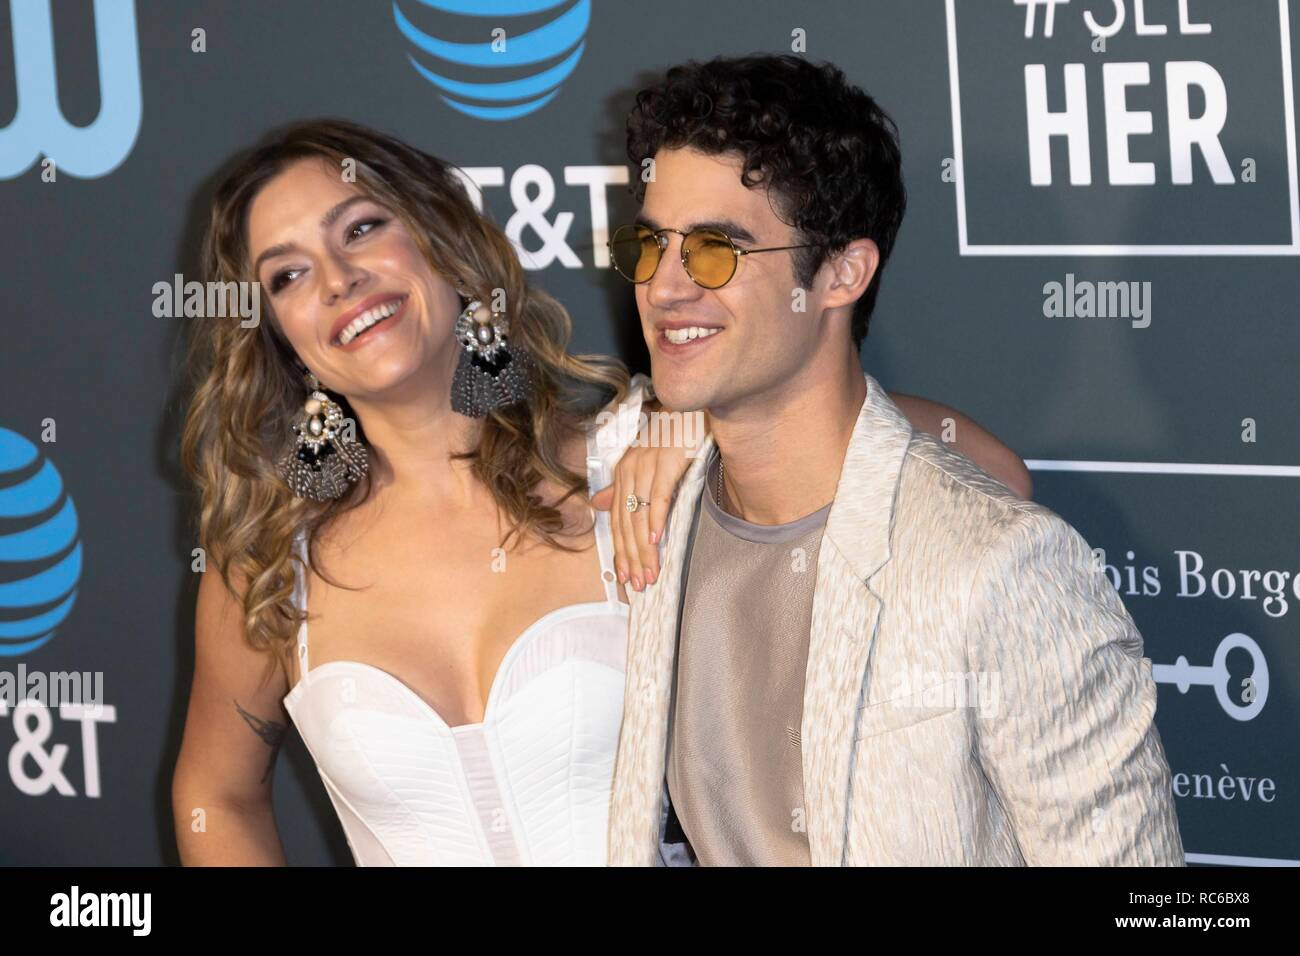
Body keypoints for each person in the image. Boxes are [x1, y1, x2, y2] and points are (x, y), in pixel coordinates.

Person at [170, 118, 1031, 866]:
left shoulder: (631, 459)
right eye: (286, 275)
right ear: (280, 337)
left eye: (361, 228)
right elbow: (216, 795)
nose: (337, 279)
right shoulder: (268, 568)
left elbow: (989, 473)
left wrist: (712, 417)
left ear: (445, 242)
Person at [604, 54, 1185, 866]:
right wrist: (667, 426)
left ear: (842, 272)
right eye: (649, 244)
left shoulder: (995, 565)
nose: (663, 287)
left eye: (713, 251)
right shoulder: (644, 517)